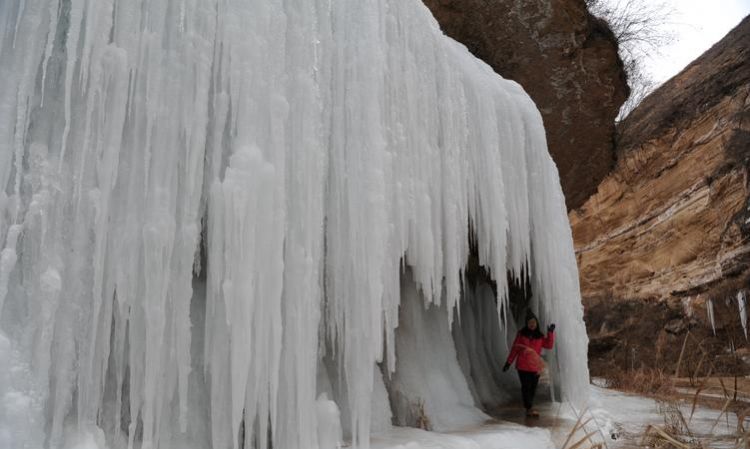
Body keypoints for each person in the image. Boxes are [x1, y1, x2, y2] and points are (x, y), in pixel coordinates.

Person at [502, 310, 555, 417]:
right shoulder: (521, 335)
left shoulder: (539, 336)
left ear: (537, 324)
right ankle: (529, 408)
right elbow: (515, 349)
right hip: (523, 366)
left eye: (534, 323)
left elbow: (549, 345)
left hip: (535, 367)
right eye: (530, 322)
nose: (532, 325)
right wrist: (508, 362)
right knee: (526, 387)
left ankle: (529, 406)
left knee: (533, 388)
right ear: (527, 324)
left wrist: (550, 333)